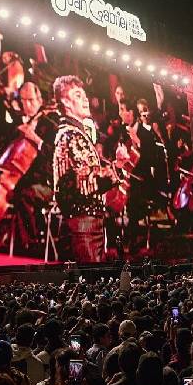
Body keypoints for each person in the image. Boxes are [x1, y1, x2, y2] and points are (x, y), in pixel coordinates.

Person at [51, 75, 120, 263]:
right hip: (83, 224)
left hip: (84, 222)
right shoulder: (72, 135)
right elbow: (86, 182)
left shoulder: (73, 133)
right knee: (90, 282)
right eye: (78, 95)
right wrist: (117, 169)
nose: (85, 99)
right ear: (65, 101)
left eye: (84, 95)